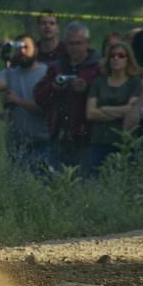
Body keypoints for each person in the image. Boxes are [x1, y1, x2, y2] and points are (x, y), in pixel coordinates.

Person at [34, 21, 102, 172]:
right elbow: (39, 96)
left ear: (87, 43)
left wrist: (88, 88)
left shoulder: (98, 67)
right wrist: (54, 87)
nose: (74, 48)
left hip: (88, 136)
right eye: (70, 43)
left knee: (85, 183)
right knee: (55, 183)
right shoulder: (57, 67)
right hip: (60, 134)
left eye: (78, 43)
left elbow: (107, 95)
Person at [0, 34, 49, 171]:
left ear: (35, 50)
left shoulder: (45, 73)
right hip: (17, 141)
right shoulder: (11, 73)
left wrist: (18, 101)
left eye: (27, 47)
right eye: (19, 47)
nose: (22, 51)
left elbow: (45, 109)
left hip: (42, 142)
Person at [86, 41, 142, 171]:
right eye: (113, 55)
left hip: (125, 143)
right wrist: (120, 112)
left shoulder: (135, 83)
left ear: (128, 59)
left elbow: (132, 111)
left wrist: (104, 109)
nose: (116, 58)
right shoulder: (98, 83)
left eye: (121, 55)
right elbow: (90, 113)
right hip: (99, 142)